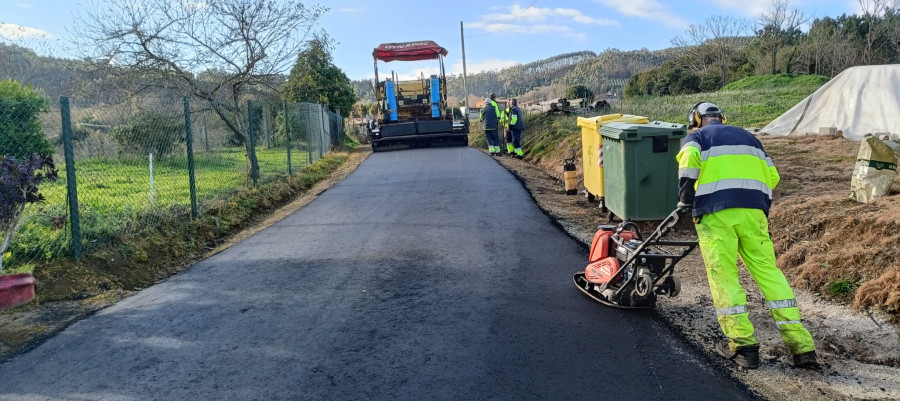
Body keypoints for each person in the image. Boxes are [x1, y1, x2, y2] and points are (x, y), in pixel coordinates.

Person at [675, 102, 817, 370]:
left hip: (716, 215)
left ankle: (744, 348)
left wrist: (686, 199)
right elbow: (772, 177)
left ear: (696, 119)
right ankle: (802, 348)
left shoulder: (697, 137)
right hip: (754, 215)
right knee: (769, 273)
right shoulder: (750, 139)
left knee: (725, 277)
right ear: (722, 118)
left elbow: (688, 163)